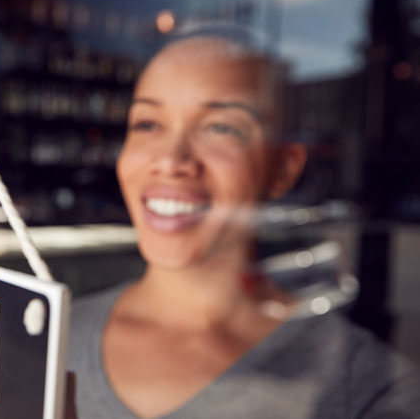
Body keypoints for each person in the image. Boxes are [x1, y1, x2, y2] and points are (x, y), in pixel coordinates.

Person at [67, 28, 420, 419]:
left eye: (220, 128)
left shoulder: (367, 392)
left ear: (282, 169)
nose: (170, 160)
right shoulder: (41, 338)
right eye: (148, 124)